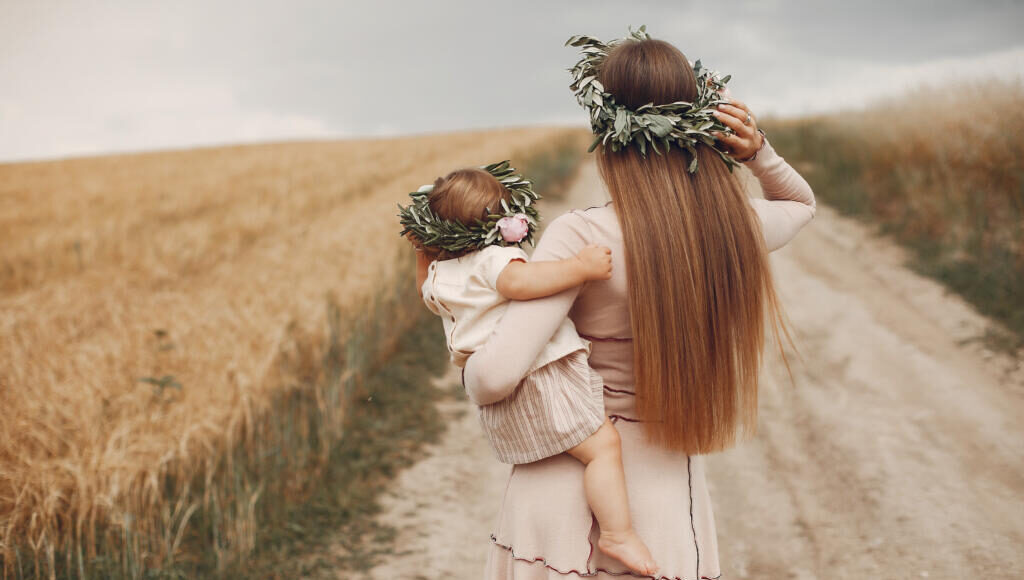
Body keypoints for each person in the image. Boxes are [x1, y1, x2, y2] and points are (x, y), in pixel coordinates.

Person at [462, 32, 817, 579]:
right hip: (666, 506)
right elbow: (799, 203)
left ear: (607, 132)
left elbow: (493, 379)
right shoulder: (733, 228)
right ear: (697, 125)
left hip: (561, 500)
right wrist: (757, 152)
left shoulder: (581, 236)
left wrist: (465, 344)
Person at [403, 165, 659, 575]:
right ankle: (617, 533)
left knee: (567, 454)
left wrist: (422, 253)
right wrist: (581, 267)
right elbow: (520, 283)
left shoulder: (441, 274)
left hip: (502, 395)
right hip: (538, 377)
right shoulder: (493, 258)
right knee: (603, 447)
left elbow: (423, 291)